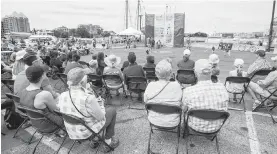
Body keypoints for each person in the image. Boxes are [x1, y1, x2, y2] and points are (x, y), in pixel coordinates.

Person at [57, 68, 119, 152]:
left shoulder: (63, 95)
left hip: (73, 132)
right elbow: (101, 117)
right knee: (111, 111)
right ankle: (107, 142)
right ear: (83, 82)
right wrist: (100, 104)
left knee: (100, 112)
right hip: (87, 133)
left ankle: (95, 140)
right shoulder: (88, 98)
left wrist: (86, 90)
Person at [182, 59, 229, 133]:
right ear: (211, 72)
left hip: (194, 125)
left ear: (195, 72)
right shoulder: (222, 88)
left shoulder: (188, 91)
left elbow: (184, 110)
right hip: (216, 127)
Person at [18, 65, 65, 135]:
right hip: (50, 125)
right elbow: (56, 111)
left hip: (35, 123)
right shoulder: (44, 94)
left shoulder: (22, 91)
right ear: (43, 75)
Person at [144, 59, 182, 127]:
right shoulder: (176, 85)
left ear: (156, 73)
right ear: (170, 73)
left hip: (154, 119)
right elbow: (181, 102)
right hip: (172, 121)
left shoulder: (150, 85)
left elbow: (145, 101)